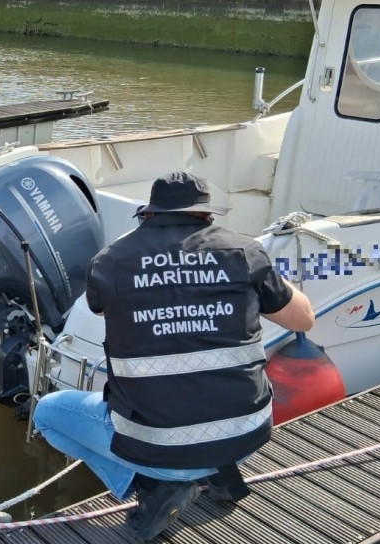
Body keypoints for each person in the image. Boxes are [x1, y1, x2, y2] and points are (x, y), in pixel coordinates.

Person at [33, 172, 315, 541]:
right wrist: (253, 271)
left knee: (48, 414)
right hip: (245, 435)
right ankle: (215, 473)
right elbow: (303, 318)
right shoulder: (245, 253)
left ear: (148, 215)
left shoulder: (112, 261)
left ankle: (152, 487)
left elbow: (98, 308)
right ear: (207, 216)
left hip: (156, 448)